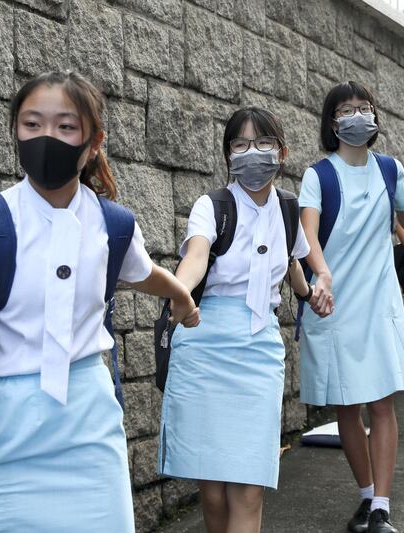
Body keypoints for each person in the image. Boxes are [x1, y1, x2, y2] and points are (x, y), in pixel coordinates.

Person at [0, 71, 198, 531]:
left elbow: (146, 274)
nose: (48, 137)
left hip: (89, 428)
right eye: (32, 124)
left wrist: (182, 297)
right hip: (2, 433)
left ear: (94, 141)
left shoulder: (114, 225)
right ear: (15, 133)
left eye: (66, 127)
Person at [158, 107, 321, 533]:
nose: (253, 153)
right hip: (204, 340)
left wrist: (311, 294)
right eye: (241, 144)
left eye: (263, 143)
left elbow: (291, 261)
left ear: (281, 151)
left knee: (248, 486)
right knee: (212, 490)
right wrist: (179, 293)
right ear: (228, 154)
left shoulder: (289, 208)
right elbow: (195, 257)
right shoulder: (212, 206)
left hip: (258, 351)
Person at [298, 81, 404, 533]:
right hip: (332, 304)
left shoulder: (390, 169)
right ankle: (366, 495)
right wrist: (322, 273)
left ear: (374, 116)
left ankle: (381, 509)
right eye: (345, 110)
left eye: (363, 108)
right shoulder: (320, 175)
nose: (355, 116)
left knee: (382, 404)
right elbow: (307, 234)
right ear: (332, 123)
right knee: (347, 407)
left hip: (378, 302)